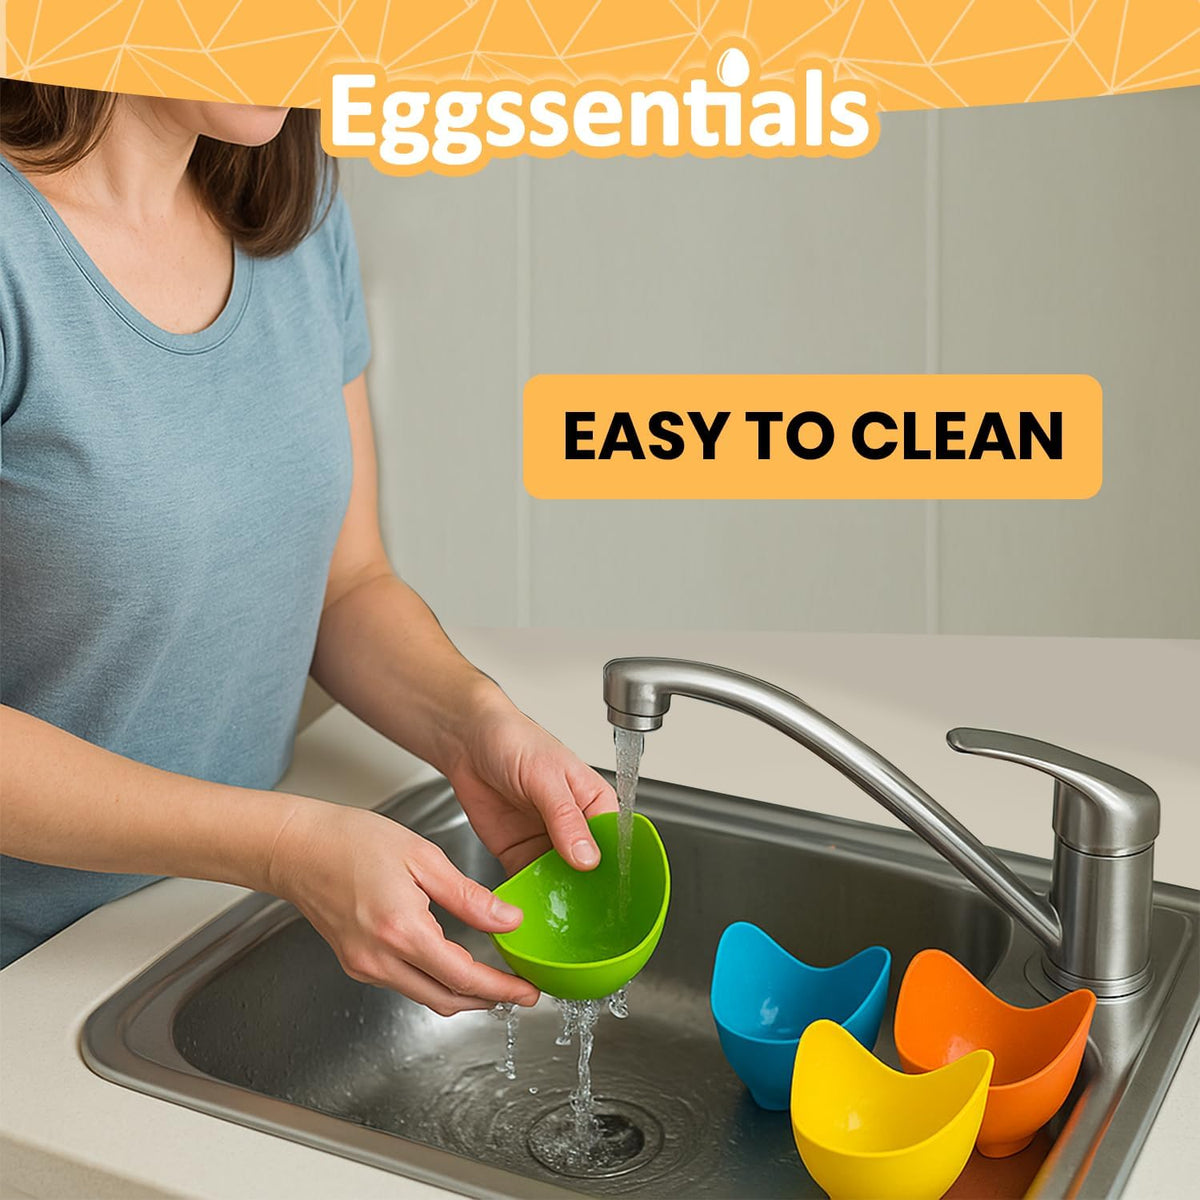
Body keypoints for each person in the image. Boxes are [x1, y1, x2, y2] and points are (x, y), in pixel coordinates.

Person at [0, 84, 615, 1014]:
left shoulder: (295, 213)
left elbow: (347, 583)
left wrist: (474, 723)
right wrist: (284, 844)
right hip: (32, 981)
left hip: (201, 928)